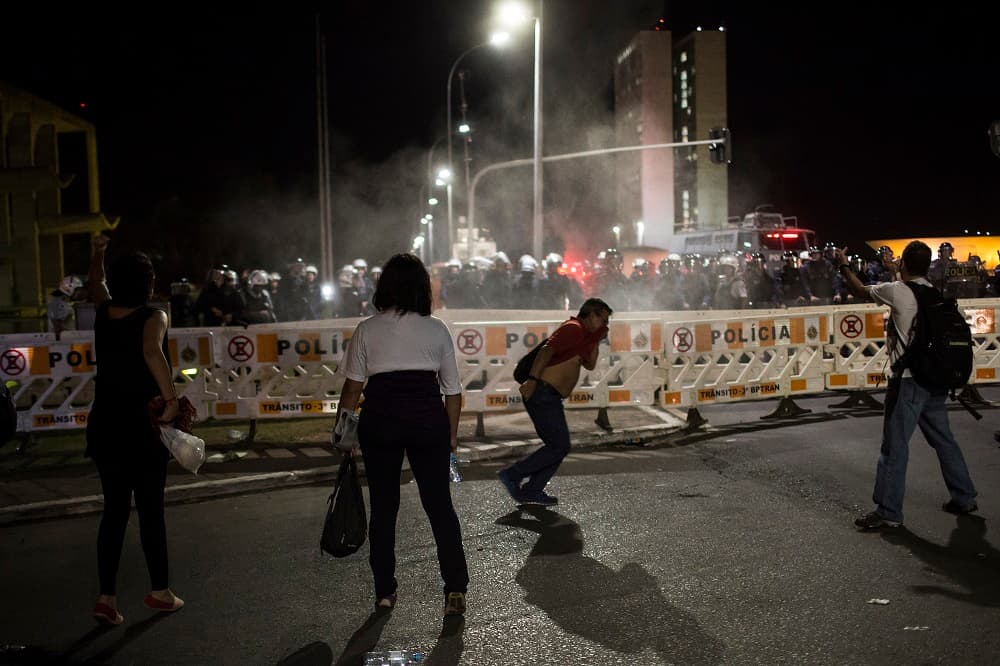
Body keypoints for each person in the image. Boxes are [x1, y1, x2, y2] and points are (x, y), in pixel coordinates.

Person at [336, 253, 469, 615]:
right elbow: (453, 391)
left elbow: (352, 390)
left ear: (385, 286)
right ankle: (455, 588)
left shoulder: (367, 329)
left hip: (380, 423)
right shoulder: (436, 330)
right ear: (422, 287)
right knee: (439, 507)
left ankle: (384, 590)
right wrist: (451, 436)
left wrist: (343, 436)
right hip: (427, 423)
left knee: (384, 508)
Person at [833, 241, 978, 530]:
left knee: (894, 447)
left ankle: (889, 511)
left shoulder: (897, 291)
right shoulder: (933, 292)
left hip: (909, 380)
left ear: (904, 264)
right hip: (935, 378)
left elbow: (859, 290)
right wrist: (896, 269)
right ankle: (964, 497)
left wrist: (844, 266)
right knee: (944, 440)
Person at [85, 234, 184, 626]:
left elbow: (96, 283)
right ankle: (160, 591)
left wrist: (98, 253)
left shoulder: (103, 311)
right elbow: (150, 351)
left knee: (113, 511)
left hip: (104, 423)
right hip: (140, 426)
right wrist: (171, 399)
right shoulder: (154, 316)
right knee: (150, 510)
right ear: (148, 282)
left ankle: (106, 598)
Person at [498, 298, 612, 506]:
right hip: (542, 391)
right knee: (559, 446)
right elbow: (546, 351)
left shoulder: (585, 336)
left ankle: (531, 489)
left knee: (558, 446)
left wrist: (596, 339)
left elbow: (590, 364)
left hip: (550, 395)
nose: (605, 325)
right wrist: (532, 380)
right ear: (591, 315)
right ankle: (514, 475)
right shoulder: (573, 328)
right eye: (602, 320)